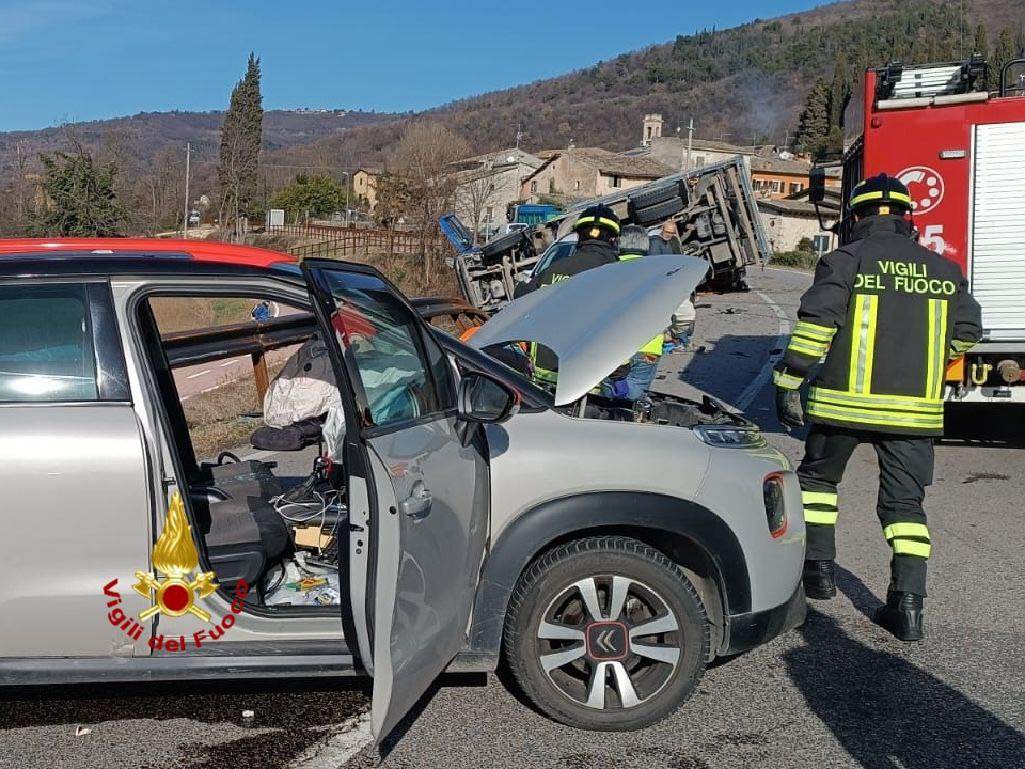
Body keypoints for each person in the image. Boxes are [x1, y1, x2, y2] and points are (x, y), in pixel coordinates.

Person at [773, 173, 982, 642]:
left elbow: (817, 325)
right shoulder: (943, 269)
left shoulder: (846, 259)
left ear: (856, 216)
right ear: (908, 217)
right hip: (913, 413)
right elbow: (969, 331)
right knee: (905, 506)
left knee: (818, 484)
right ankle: (908, 607)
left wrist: (788, 380)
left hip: (841, 406)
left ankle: (818, 576)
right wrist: (931, 358)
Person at [516, 204, 621, 387]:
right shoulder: (618, 275)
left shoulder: (555, 268)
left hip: (543, 374)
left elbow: (522, 298)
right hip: (585, 381)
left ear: (579, 236)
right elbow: (620, 325)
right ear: (613, 239)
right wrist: (621, 369)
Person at [599, 224, 664, 401]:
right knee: (635, 398)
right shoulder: (659, 273)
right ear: (646, 245)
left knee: (608, 399)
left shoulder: (606, 272)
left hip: (612, 348)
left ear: (618, 243)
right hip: (648, 347)